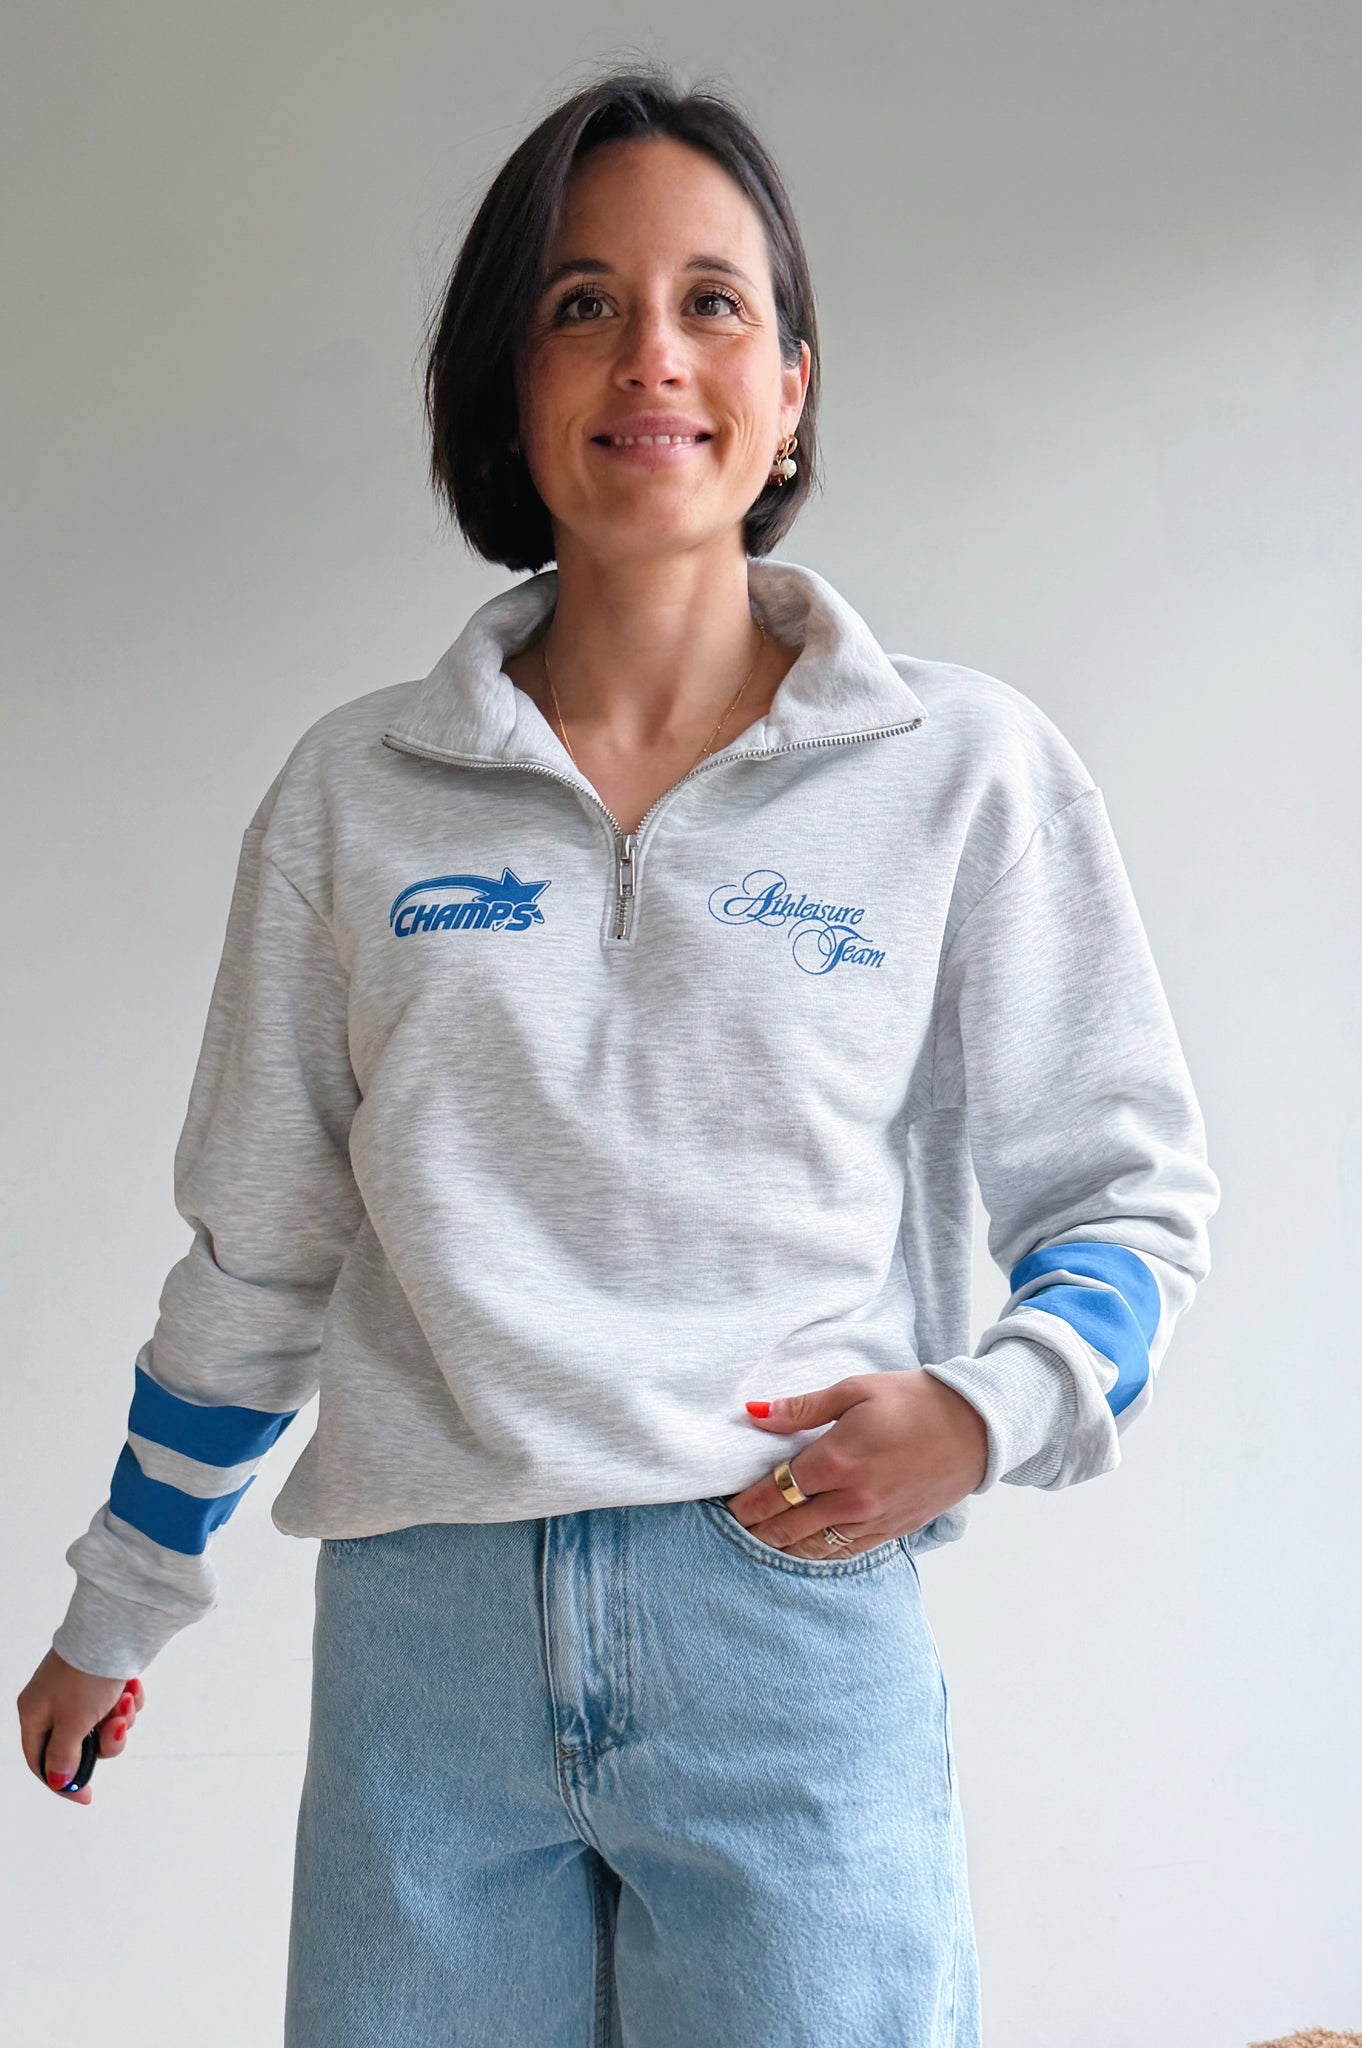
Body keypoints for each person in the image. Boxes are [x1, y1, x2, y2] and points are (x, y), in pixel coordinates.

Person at [17, 61, 1220, 2048]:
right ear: (507, 385)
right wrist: (119, 1601)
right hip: (424, 1662)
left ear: (792, 386)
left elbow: (1130, 1197)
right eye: (582, 303)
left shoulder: (964, 776)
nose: (651, 354)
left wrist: (984, 1409)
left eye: (710, 302)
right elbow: (260, 1252)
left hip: (788, 1632)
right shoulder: (352, 798)